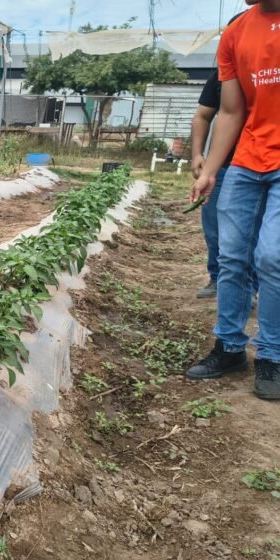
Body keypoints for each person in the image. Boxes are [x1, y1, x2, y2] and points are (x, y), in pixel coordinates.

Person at [187, 0, 280, 400]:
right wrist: (209, 170)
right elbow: (230, 111)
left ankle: (272, 356)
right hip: (247, 160)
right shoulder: (238, 31)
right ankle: (229, 347)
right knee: (231, 256)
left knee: (272, 257)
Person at [190, 12, 258, 300]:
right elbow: (203, 116)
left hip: (259, 163)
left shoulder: (266, 70)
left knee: (256, 231)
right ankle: (218, 278)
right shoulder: (220, 76)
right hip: (226, 164)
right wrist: (197, 155)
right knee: (215, 225)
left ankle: (253, 285)